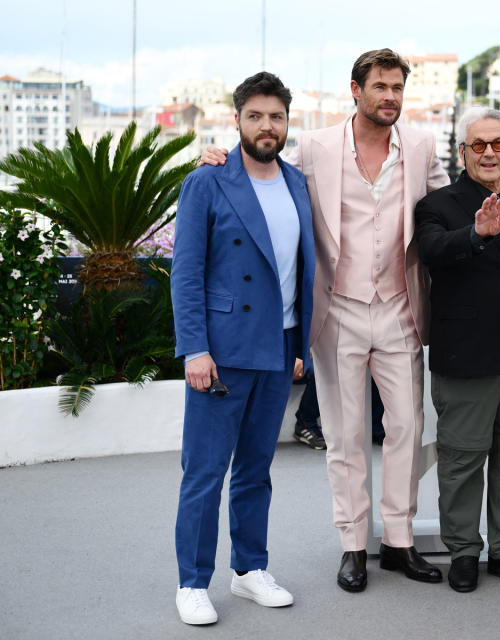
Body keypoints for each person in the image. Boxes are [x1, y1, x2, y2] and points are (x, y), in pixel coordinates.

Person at [201, 49, 448, 592]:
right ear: (355, 90)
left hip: (401, 308)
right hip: (336, 309)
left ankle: (400, 542)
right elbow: (262, 172)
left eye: (397, 88)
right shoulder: (314, 146)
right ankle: (354, 545)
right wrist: (215, 161)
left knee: (407, 427)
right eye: (379, 86)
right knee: (344, 434)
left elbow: (446, 211)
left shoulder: (424, 146)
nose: (390, 96)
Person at [171, 71, 314, 625]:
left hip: (277, 347)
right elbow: (186, 274)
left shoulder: (298, 181)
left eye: (275, 116)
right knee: (205, 471)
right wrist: (194, 350)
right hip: (222, 350)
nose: (266, 125)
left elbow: (303, 270)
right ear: (237, 121)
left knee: (257, 469)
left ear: (286, 122)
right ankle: (192, 582)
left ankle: (250, 569)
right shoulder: (208, 181)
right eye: (255, 115)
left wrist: (298, 344)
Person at [415, 107, 500, 593]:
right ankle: (464, 551)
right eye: (479, 145)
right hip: (467, 355)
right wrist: (477, 234)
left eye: (498, 144)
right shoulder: (438, 205)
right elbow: (433, 251)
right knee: (462, 458)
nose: (489, 152)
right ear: (462, 151)